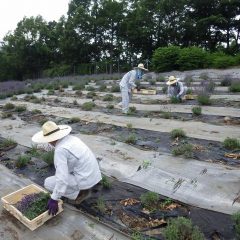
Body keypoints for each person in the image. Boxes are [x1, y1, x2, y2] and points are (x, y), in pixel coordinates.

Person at [32, 121, 102, 216]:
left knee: (48, 182)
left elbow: (62, 179)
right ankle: (81, 188)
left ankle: (78, 194)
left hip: (84, 179)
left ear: (49, 139)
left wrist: (54, 199)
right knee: (60, 175)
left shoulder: (60, 150)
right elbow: (54, 146)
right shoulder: (72, 139)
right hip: (93, 175)